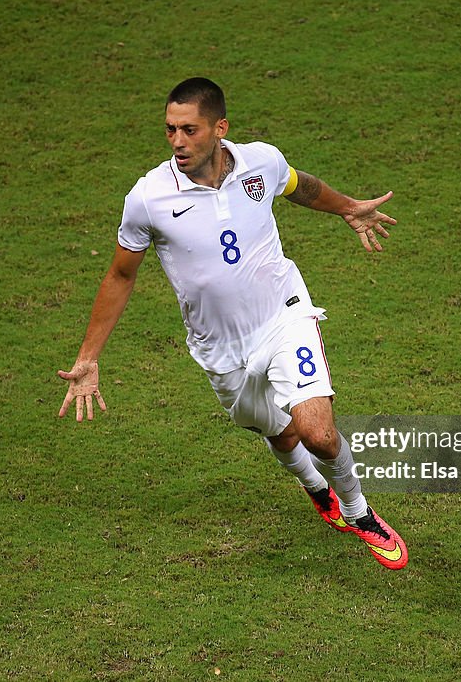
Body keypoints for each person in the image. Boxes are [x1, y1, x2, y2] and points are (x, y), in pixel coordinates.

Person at [58, 77, 407, 570]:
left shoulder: (260, 161)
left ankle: (359, 511)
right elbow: (120, 274)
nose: (178, 141)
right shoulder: (149, 198)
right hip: (219, 348)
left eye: (190, 130)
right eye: (170, 130)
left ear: (219, 128)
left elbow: (299, 186)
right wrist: (88, 358)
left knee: (318, 435)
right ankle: (316, 489)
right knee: (283, 436)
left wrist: (348, 207)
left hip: (283, 316)